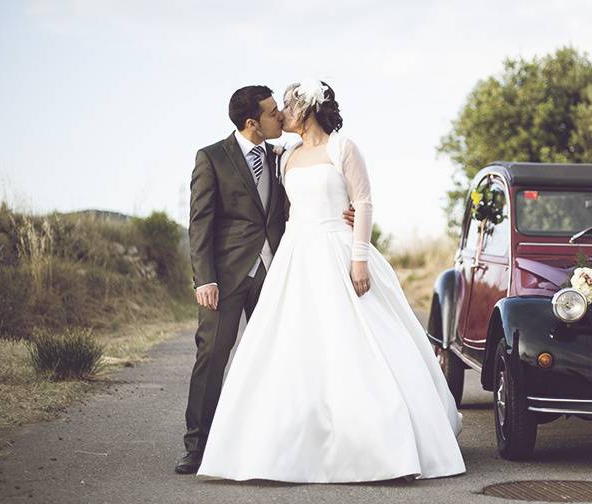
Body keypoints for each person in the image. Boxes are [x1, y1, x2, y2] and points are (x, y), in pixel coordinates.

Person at [196, 80, 465, 482]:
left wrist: (359, 255)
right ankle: (272, 447)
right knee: (289, 349)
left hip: (339, 252)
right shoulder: (284, 156)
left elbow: (364, 202)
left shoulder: (343, 148)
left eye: (287, 106)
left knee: (356, 344)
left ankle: (377, 444)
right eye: (276, 109)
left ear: (305, 110)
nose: (282, 113)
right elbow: (279, 210)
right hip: (295, 256)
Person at [175, 85, 354, 474]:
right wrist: (204, 278)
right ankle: (198, 446)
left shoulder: (283, 156)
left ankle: (265, 444)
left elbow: (306, 201)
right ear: (252, 123)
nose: (282, 117)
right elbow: (200, 223)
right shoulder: (212, 158)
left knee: (276, 357)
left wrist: (347, 212)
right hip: (224, 278)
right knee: (212, 356)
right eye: (274, 113)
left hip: (279, 272)